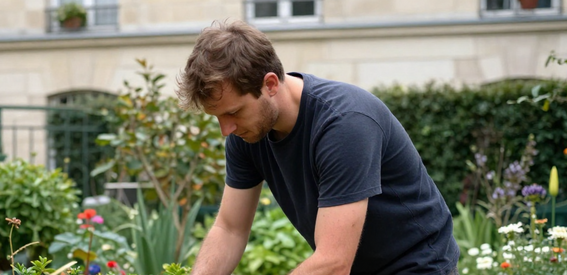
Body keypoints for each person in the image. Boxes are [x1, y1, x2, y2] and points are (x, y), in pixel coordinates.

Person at [175, 20, 460, 275]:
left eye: (233, 112)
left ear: (270, 84)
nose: (226, 129)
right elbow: (230, 229)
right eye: (218, 117)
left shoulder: (344, 124)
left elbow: (333, 263)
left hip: (418, 265)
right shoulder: (247, 134)